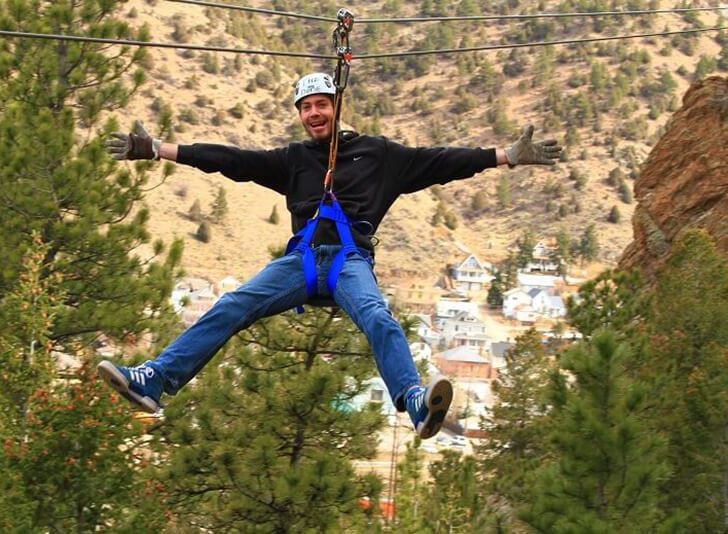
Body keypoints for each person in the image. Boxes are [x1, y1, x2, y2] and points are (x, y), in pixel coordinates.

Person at [98, 72, 562, 439]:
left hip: (350, 261)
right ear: (300, 115)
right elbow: (230, 159)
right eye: (306, 108)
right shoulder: (293, 160)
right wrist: (157, 149)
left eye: (321, 105)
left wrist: (507, 156)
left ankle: (416, 403)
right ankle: (154, 381)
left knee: (379, 317)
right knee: (232, 305)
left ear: (336, 108)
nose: (314, 114)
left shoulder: (381, 155)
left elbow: (444, 161)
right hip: (300, 263)